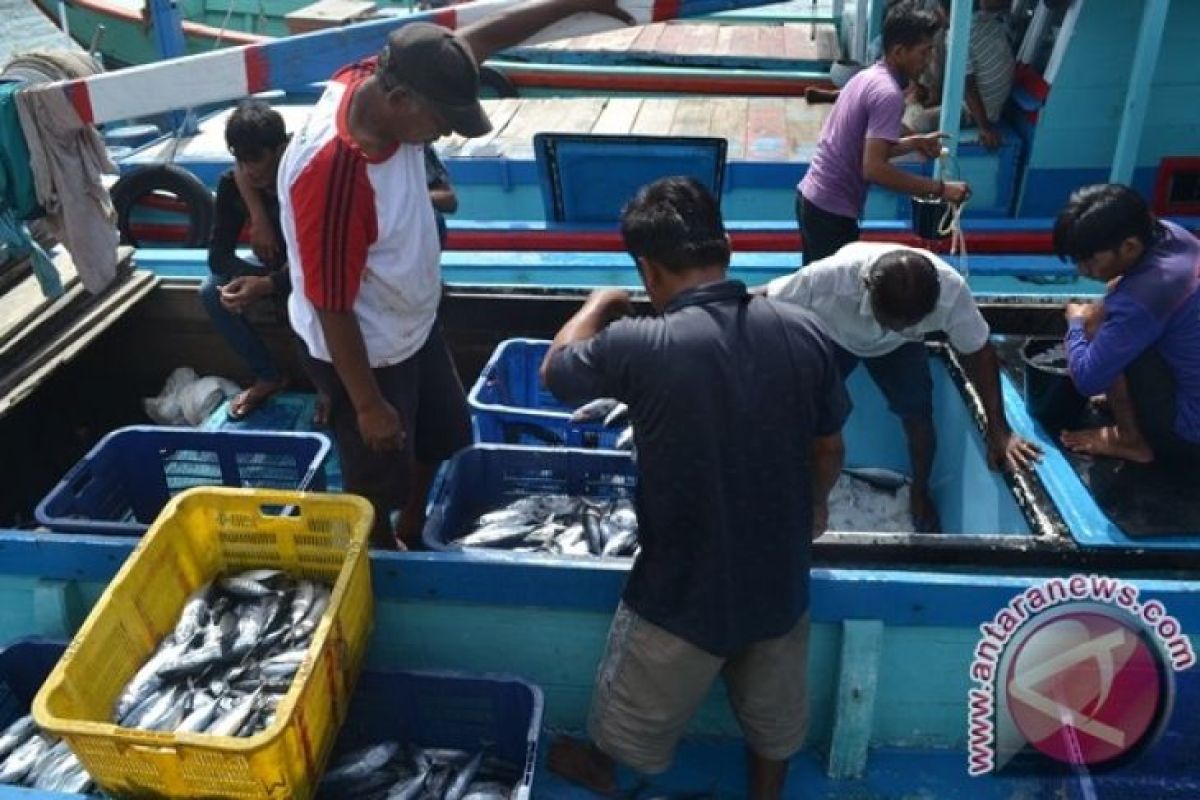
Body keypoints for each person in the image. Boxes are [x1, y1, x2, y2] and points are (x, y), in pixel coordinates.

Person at [277, 0, 634, 549]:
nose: (446, 133)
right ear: (398, 101)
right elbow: (331, 306)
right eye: (441, 119)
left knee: (444, 434)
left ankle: (412, 528)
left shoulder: (385, 77)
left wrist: (575, 3)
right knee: (378, 470)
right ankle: (380, 551)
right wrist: (369, 404)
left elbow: (478, 40)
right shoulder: (337, 177)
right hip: (365, 349)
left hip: (411, 324)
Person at [541, 177, 850, 800]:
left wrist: (600, 302)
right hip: (778, 577)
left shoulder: (638, 343)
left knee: (632, 714)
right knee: (776, 714)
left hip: (681, 587)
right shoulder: (805, 331)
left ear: (649, 271)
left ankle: (603, 766)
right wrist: (815, 503)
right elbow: (828, 447)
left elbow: (556, 371)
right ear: (728, 247)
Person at [764, 241, 1042, 531]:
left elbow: (979, 352)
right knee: (800, 416)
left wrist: (998, 429)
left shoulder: (951, 290)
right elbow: (765, 299)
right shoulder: (827, 278)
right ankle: (793, 488)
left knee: (919, 419)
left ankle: (919, 491)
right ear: (866, 290)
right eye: (891, 321)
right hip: (832, 337)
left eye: (911, 321)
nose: (895, 326)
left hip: (901, 347)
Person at [797, 1, 970, 265]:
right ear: (899, 51)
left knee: (818, 293)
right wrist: (940, 189)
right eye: (924, 53)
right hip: (831, 213)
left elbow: (868, 148)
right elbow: (874, 168)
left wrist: (914, 143)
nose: (928, 61)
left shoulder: (868, 76)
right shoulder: (888, 94)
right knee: (834, 300)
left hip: (813, 200)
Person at [1054, 184, 1200, 466]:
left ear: (1130, 246)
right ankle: (1131, 404)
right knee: (1114, 296)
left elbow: (1086, 379)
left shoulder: (1142, 298)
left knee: (1097, 324)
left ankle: (1130, 439)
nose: (1083, 271)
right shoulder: (1170, 234)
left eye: (1090, 260)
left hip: (1188, 434)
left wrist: (1075, 323)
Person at [201, 99, 293, 421]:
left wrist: (268, 285)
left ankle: (330, 388)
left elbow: (317, 260)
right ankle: (268, 375)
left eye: (258, 158)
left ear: (280, 150)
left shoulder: (303, 176)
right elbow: (218, 255)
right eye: (243, 160)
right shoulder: (234, 183)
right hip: (273, 268)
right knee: (211, 291)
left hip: (307, 269)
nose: (252, 170)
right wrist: (244, 282)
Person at [906, 0, 1015, 151]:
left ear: (943, 11)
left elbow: (968, 86)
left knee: (916, 121)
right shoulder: (984, 19)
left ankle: (913, 100)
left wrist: (984, 128)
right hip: (996, 101)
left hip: (984, 111)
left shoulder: (956, 35)